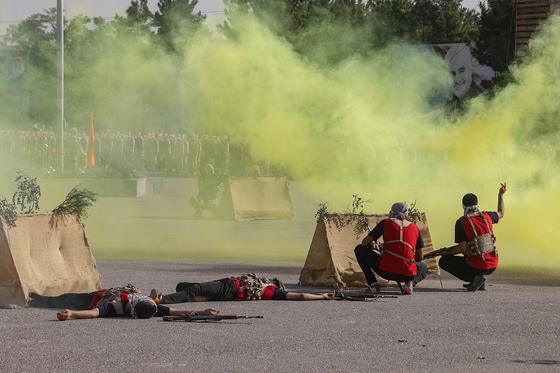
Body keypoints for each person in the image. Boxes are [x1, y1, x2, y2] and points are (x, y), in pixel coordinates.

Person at [431, 183, 506, 291]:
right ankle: (478, 281)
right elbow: (501, 213)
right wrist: (501, 195)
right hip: (493, 264)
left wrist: (446, 253)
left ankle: (475, 279)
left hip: (478, 265)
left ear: (463, 206)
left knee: (444, 262)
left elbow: (462, 248)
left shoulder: (462, 221)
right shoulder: (487, 216)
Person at [354, 202, 428, 295]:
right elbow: (419, 257)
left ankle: (373, 285)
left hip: (386, 271)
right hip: (408, 274)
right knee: (424, 267)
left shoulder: (385, 223)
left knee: (359, 249)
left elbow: (364, 243)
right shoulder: (415, 228)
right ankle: (409, 283)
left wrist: (374, 246)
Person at [28, 286, 220, 321]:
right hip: (103, 293)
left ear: (132, 308)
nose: (144, 297)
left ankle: (32, 300)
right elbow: (176, 311)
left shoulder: (116, 308)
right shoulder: (151, 308)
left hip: (90, 299)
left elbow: (94, 313)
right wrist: (202, 311)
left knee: (61, 299)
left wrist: (71, 314)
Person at [150, 273, 335, 304]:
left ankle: (162, 299)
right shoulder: (269, 289)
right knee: (183, 286)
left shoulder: (273, 292)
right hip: (227, 287)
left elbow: (301, 295)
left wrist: (321, 296)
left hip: (228, 289)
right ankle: (199, 297)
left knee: (196, 288)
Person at [444, 43, 495, 111]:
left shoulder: (483, 100)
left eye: (462, 71)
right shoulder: (450, 103)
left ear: (470, 70)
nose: (457, 80)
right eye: (452, 74)